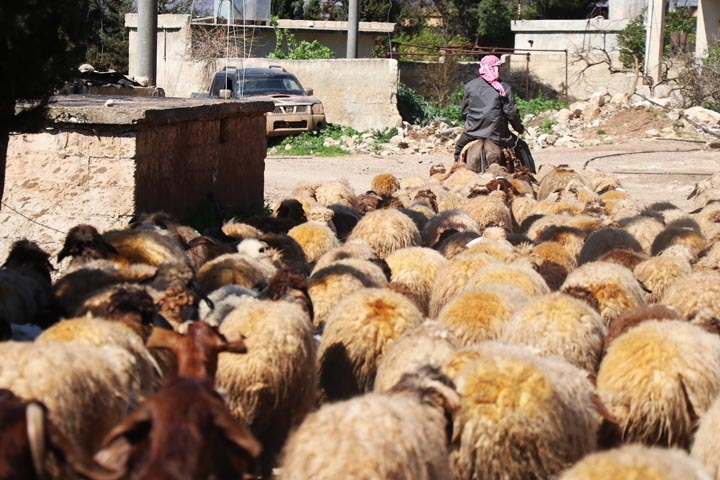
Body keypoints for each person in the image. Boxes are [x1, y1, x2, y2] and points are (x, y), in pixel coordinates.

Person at [454, 54, 536, 173]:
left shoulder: (470, 86)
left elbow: (464, 112)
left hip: (472, 132)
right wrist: (519, 129)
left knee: (458, 149)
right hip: (497, 134)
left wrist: (474, 121)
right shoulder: (503, 87)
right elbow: (511, 113)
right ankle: (531, 177)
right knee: (522, 148)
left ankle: (456, 175)